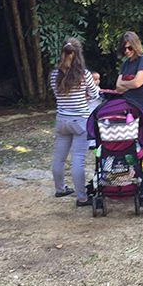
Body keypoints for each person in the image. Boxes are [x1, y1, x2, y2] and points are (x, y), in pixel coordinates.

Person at [50, 38, 99, 207]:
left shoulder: (55, 74)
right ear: (79, 55)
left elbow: (58, 96)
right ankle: (82, 197)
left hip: (62, 120)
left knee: (59, 158)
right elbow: (95, 94)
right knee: (78, 159)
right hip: (80, 121)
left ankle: (60, 188)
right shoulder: (84, 75)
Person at [115, 32, 143, 199]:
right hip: (128, 107)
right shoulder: (126, 64)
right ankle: (131, 181)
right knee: (127, 145)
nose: (127, 50)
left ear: (135, 45)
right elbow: (117, 87)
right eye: (124, 48)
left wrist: (126, 84)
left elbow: (138, 82)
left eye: (130, 47)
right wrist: (128, 84)